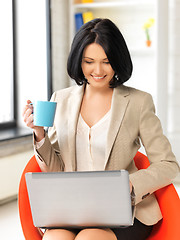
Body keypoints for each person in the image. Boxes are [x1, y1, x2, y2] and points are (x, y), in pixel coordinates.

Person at [23, 18, 179, 240]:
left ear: (117, 60)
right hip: (73, 209)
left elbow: (168, 165)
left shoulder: (138, 102)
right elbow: (55, 170)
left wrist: (129, 185)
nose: (97, 70)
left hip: (125, 211)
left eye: (106, 61)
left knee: (91, 237)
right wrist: (40, 133)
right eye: (89, 61)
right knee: (54, 238)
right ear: (79, 61)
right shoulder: (62, 99)